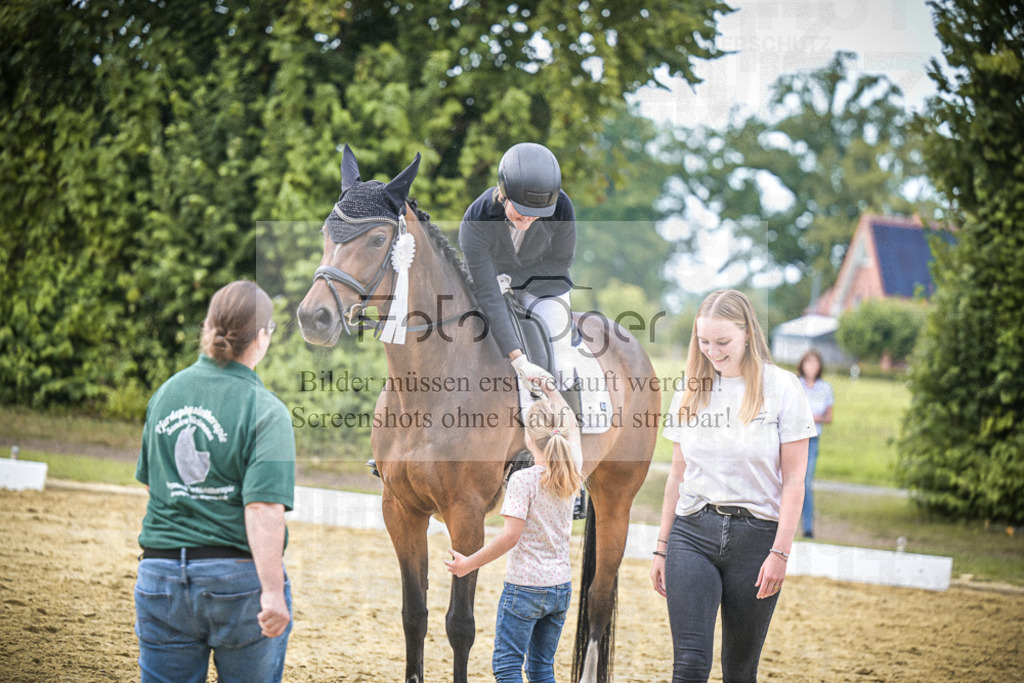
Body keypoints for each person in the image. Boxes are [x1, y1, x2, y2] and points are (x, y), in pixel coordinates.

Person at [133, 280, 296, 683]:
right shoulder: (267, 410)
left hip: (160, 576)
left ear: (208, 327)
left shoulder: (166, 394)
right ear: (262, 337)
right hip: (235, 583)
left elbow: (157, 488)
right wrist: (272, 592)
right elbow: (261, 509)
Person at [650, 289, 815, 682]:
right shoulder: (690, 389)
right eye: (703, 342)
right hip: (692, 534)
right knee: (689, 665)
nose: (712, 351)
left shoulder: (783, 388)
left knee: (740, 671)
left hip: (757, 540)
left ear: (747, 333)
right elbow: (677, 476)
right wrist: (661, 547)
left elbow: (794, 481)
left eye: (722, 342)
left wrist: (781, 552)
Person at [445, 374, 584, 683]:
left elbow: (510, 537)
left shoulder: (523, 481)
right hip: (560, 587)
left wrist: (468, 563)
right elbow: (571, 423)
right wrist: (549, 388)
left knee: (508, 667)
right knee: (541, 669)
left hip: (525, 588)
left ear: (527, 438)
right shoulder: (573, 465)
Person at [458, 142, 577, 393]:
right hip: (488, 286)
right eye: (521, 211)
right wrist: (520, 360)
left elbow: (561, 262)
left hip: (544, 285)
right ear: (503, 194)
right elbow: (488, 291)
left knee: (563, 369)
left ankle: (567, 427)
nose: (528, 218)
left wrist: (515, 280)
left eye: (536, 213)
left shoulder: (561, 207)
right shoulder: (475, 220)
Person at [796, 349, 834, 539]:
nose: (811, 366)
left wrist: (812, 417)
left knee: (806, 483)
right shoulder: (795, 385)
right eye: (808, 362)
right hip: (794, 439)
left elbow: (829, 417)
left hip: (812, 440)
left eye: (815, 363)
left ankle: (808, 526)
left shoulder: (825, 388)